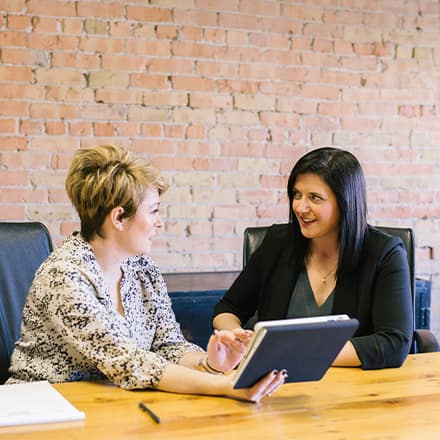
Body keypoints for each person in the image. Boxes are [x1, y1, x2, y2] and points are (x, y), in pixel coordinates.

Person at [7, 144, 286, 402]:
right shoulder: (64, 276)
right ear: (118, 218)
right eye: (153, 211)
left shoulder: (142, 269)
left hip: (114, 405)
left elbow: (168, 345)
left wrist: (210, 364)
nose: (160, 223)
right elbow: (129, 362)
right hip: (42, 409)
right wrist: (226, 385)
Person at [213, 147, 413, 370]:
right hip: (275, 385)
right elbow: (228, 308)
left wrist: (294, 353)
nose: (300, 207)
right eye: (297, 195)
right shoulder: (278, 243)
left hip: (354, 388)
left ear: (345, 202)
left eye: (315, 198)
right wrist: (235, 336)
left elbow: (394, 343)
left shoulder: (384, 253)